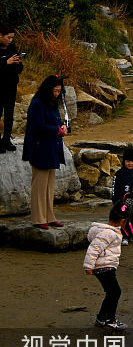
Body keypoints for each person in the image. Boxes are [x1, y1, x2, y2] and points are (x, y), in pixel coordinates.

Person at [22, 75, 69, 229]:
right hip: (40, 149)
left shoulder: (51, 103)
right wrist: (57, 130)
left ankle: (49, 216)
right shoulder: (37, 104)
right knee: (39, 186)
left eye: (59, 91)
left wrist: (62, 126)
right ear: (48, 90)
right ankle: (38, 218)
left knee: (49, 186)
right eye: (55, 91)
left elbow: (55, 120)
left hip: (51, 149)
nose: (57, 94)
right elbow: (38, 126)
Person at [83, 204, 129, 331]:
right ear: (122, 221)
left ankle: (101, 318)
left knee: (111, 292)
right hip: (105, 267)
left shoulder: (108, 232)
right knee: (115, 292)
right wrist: (88, 266)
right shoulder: (109, 233)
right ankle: (110, 320)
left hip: (105, 267)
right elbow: (94, 249)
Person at [0, 23, 24, 152]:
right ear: (1, 35)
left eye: (12, 38)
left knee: (9, 114)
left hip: (11, 85)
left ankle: (6, 139)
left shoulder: (12, 47)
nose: (10, 40)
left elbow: (20, 69)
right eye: (8, 37)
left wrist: (17, 63)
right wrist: (6, 62)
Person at [111, 147, 133, 245]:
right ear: (124, 161)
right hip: (123, 201)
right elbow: (115, 188)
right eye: (128, 161)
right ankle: (125, 236)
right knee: (124, 219)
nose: (130, 163)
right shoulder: (120, 173)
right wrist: (116, 200)